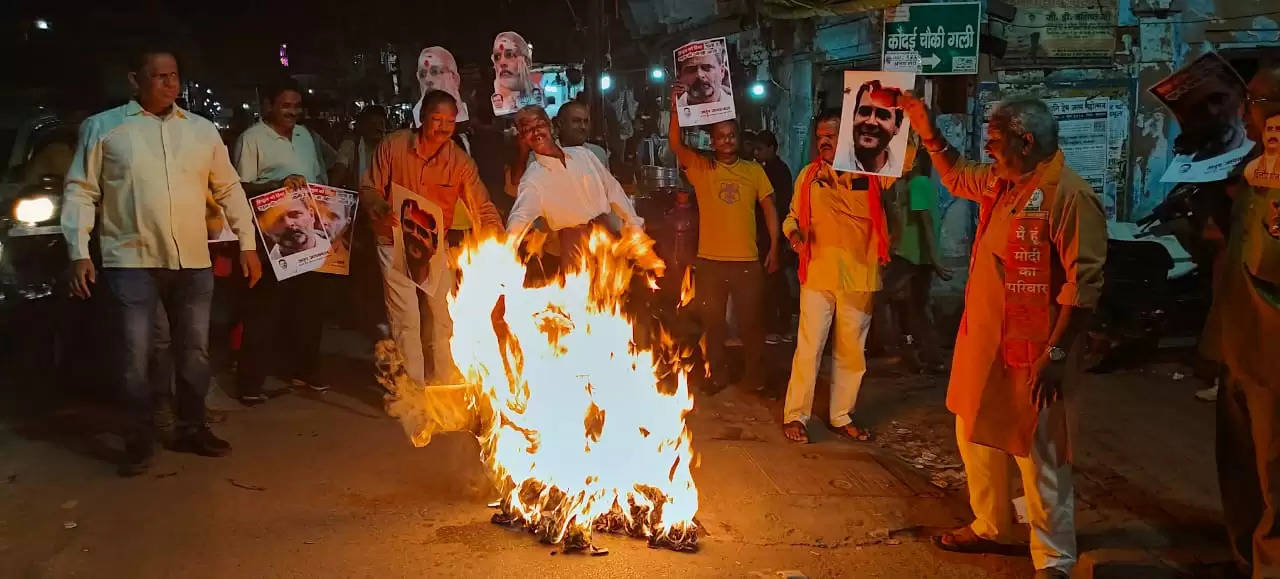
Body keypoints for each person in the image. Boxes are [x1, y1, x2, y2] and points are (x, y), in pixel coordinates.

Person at [901, 93, 1106, 579]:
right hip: (983, 342)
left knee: (1039, 452)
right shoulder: (1003, 182)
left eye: (994, 141)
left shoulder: (1068, 196)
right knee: (974, 434)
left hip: (1036, 349)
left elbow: (1084, 287)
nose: (987, 149)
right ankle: (991, 523)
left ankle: (1054, 556)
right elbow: (954, 174)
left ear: (1026, 141)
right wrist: (925, 128)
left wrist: (1055, 354)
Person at [62, 45, 262, 476]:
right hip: (130, 260)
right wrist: (78, 250)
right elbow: (81, 190)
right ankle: (140, 436)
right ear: (135, 80)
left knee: (194, 351)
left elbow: (228, 189)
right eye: (159, 77)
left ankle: (192, 426)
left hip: (192, 259)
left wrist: (247, 242)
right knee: (139, 355)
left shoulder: (202, 131)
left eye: (174, 76)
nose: (171, 85)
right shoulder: (104, 129)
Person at [360, 90, 504, 384]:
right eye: (436, 119)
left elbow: (482, 207)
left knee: (444, 315)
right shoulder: (394, 146)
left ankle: (446, 380)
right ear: (422, 117)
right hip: (394, 239)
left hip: (434, 244)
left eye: (449, 121)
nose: (442, 127)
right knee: (406, 318)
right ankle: (413, 389)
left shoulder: (460, 162)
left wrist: (498, 239)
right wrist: (378, 206)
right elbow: (370, 188)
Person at [1200, 60, 1280, 579]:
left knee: (1273, 467)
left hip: (1270, 351)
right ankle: (1243, 556)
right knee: (1238, 463)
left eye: (1252, 102)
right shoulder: (1251, 166)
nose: (1244, 112)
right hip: (1235, 341)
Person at [780, 109, 901, 444]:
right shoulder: (809, 175)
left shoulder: (873, 170)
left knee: (851, 352)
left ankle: (841, 415)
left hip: (860, 275)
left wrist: (907, 117)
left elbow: (903, 161)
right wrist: (793, 234)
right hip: (817, 273)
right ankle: (796, 415)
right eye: (820, 136)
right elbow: (791, 216)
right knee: (808, 348)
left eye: (831, 135)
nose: (824, 141)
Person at [668, 84, 780, 392]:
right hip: (711, 263)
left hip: (747, 262)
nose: (726, 140)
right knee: (713, 326)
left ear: (739, 139)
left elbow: (770, 208)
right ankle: (716, 374)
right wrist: (676, 107)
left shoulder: (754, 171)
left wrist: (774, 246)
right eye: (720, 136)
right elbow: (676, 145)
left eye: (731, 135)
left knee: (751, 326)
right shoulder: (703, 167)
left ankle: (754, 378)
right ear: (712, 141)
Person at [232, 79, 332, 403]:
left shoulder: (306, 137)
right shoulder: (252, 139)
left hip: (309, 233)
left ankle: (304, 370)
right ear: (269, 106)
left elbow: (320, 177)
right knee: (265, 308)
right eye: (285, 105)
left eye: (296, 106)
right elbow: (238, 188)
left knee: (310, 306)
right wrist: (277, 185)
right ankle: (250, 382)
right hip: (270, 235)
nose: (292, 111)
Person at [507, 105, 644, 264]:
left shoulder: (586, 155)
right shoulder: (532, 177)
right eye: (527, 129)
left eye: (539, 125)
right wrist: (505, 251)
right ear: (522, 138)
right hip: (572, 251)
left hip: (609, 245)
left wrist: (635, 227)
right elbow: (520, 216)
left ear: (550, 126)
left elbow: (614, 191)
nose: (536, 131)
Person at [878, 153, 952, 372]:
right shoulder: (912, 184)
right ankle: (929, 357)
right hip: (916, 255)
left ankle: (904, 347)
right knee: (916, 308)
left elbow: (926, 222)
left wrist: (935, 259)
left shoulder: (918, 184)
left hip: (912, 255)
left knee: (879, 295)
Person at [754, 130, 797, 343]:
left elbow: (778, 205)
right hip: (772, 234)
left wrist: (777, 238)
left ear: (771, 148)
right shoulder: (770, 170)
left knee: (774, 282)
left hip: (774, 234)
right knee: (776, 282)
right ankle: (781, 326)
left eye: (760, 148)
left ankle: (778, 326)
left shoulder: (776, 171)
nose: (756, 152)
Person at [847, 80, 906, 174]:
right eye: (864, 112)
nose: (871, 122)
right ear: (854, 116)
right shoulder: (835, 162)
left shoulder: (904, 173)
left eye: (882, 115)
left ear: (897, 126)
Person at [413, 46, 469, 127]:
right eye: (422, 74)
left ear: (454, 78)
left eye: (435, 72)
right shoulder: (415, 122)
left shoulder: (471, 111)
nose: (427, 80)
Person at [333, 105, 387, 189]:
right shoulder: (351, 146)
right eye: (372, 124)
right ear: (362, 126)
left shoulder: (390, 148)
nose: (377, 128)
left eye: (381, 123)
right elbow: (337, 175)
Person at [555, 101, 609, 167]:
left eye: (586, 121)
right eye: (576, 121)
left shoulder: (598, 153)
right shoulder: (545, 156)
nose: (583, 126)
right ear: (560, 123)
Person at [491, 31, 532, 115]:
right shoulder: (493, 101)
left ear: (525, 61)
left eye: (509, 55)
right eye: (497, 57)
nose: (502, 63)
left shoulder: (537, 96)